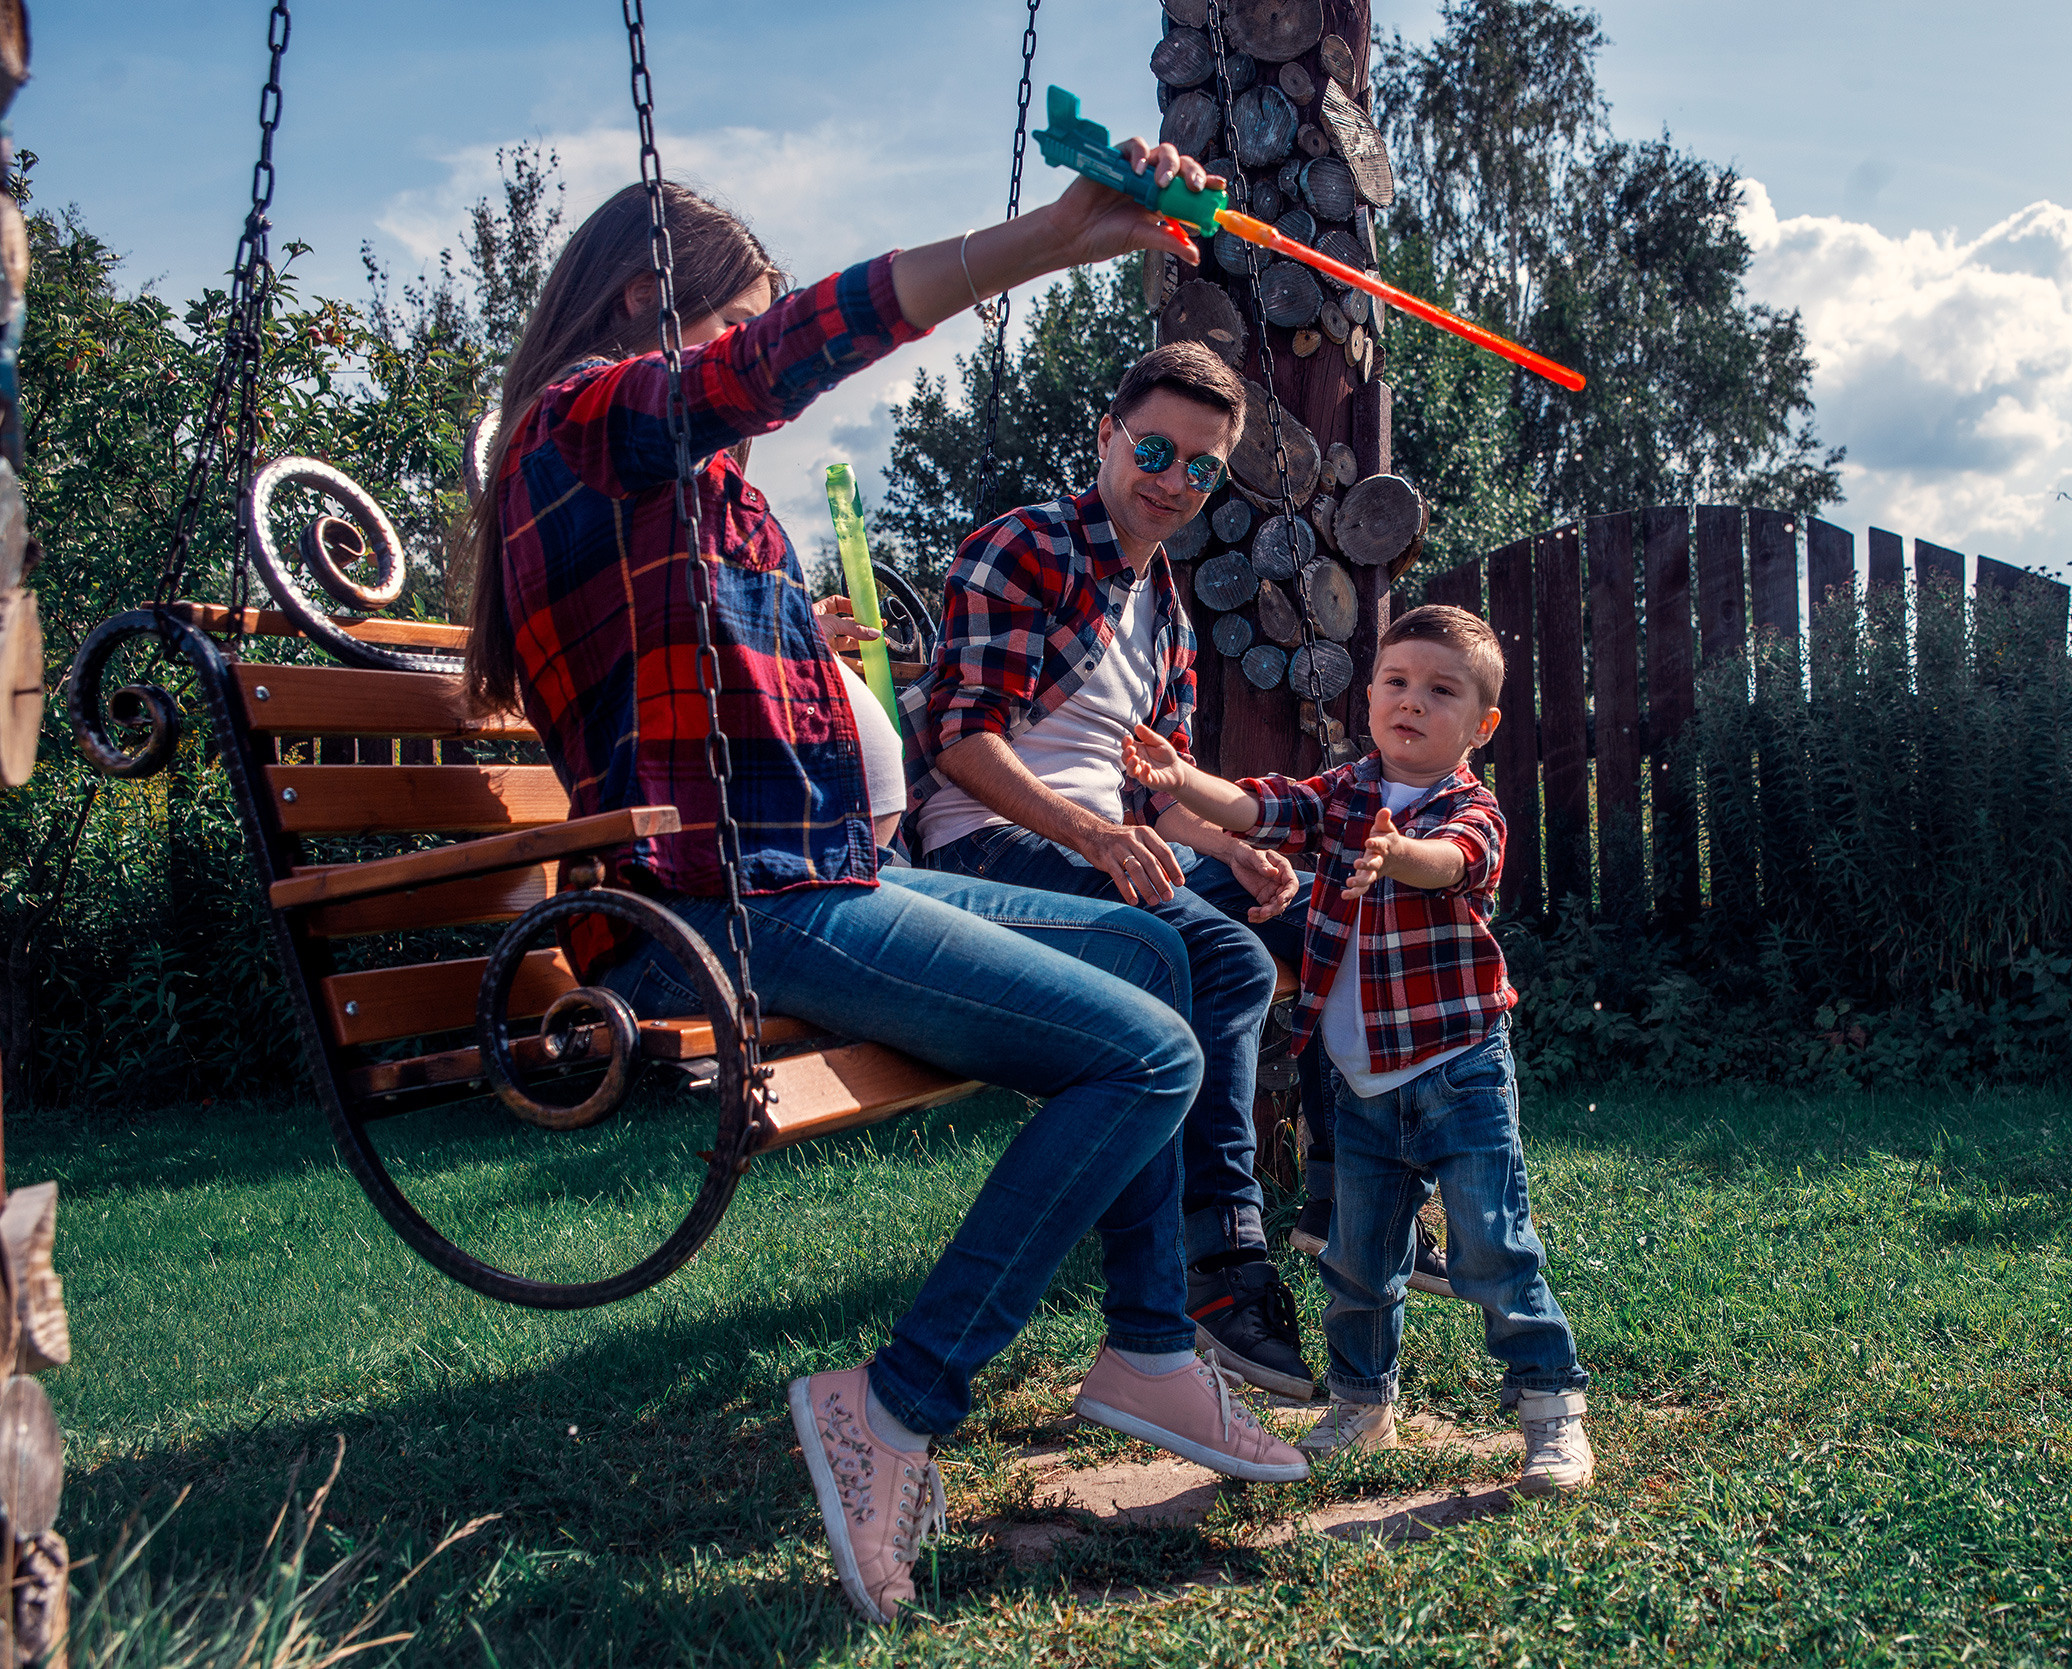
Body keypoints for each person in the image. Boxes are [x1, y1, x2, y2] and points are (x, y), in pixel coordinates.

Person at [456, 150, 1306, 1629]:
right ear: (661, 308)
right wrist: (1043, 242)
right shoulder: (577, 425)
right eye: (733, 326)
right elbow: (773, 367)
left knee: (1174, 961)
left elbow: (751, 692)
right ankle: (893, 1405)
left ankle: (1152, 1346)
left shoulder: (676, 488)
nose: (743, 356)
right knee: (1149, 1054)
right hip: (720, 911)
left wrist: (806, 633)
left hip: (805, 876)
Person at [902, 342, 1325, 1398]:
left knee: (1323, 914)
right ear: (1104, 437)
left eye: (1202, 468)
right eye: (1154, 449)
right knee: (1222, 961)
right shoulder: (1027, 548)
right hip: (984, 848)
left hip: (1112, 847)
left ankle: (1361, 1207)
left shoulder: (1167, 609)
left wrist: (1233, 846)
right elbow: (960, 740)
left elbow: (1154, 790)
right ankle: (1218, 1265)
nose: (1174, 480)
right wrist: (1090, 835)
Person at [1120, 604, 1595, 1494]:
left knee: (1492, 1244)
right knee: (1356, 1258)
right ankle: (1360, 1401)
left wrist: (1397, 851)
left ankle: (1550, 1408)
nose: (1412, 702)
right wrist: (1180, 775)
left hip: (1458, 1069)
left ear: (1480, 726)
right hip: (1362, 1086)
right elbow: (1259, 805)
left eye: (1441, 690)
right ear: (1370, 693)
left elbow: (1456, 863)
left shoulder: (1469, 805)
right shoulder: (1343, 792)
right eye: (1397, 682)